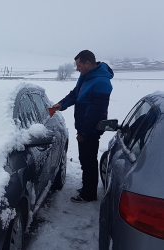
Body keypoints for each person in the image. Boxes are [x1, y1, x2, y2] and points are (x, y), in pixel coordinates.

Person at [53, 50, 113, 203]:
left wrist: (84, 133)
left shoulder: (101, 82)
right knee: (85, 160)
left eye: (79, 65)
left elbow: (96, 113)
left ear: (87, 63)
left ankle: (89, 194)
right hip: (84, 128)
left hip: (90, 130)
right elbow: (75, 94)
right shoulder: (86, 76)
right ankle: (88, 187)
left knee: (89, 161)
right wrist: (62, 104)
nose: (77, 69)